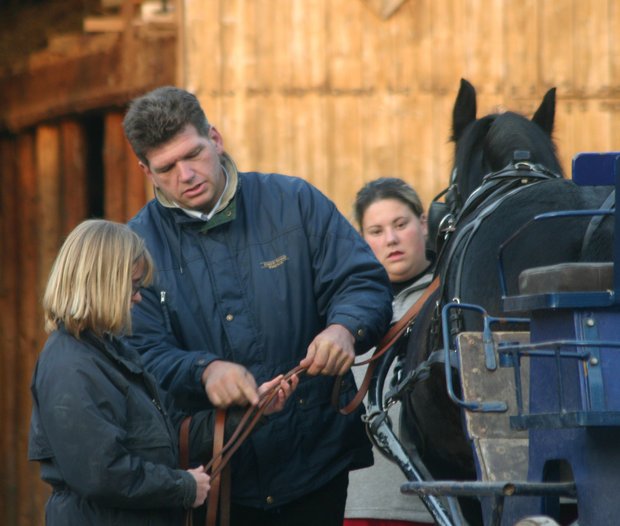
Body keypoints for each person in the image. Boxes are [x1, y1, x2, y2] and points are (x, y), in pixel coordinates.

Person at [121, 86, 393, 526]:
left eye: (193, 154)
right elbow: (140, 352)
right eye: (167, 167)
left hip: (318, 462)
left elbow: (362, 281)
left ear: (215, 138)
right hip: (216, 478)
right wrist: (204, 370)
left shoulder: (294, 201)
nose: (185, 174)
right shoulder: (137, 247)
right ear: (145, 170)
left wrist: (345, 327)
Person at [28, 219, 297, 526]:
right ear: (102, 281)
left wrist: (253, 412)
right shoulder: (70, 365)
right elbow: (101, 473)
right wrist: (182, 487)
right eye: (132, 285)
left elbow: (172, 435)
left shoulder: (111, 352)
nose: (138, 297)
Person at [344, 177, 435, 526]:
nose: (392, 240)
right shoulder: (345, 306)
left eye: (401, 224)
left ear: (423, 223)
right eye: (377, 231)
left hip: (434, 502)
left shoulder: (455, 296)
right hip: (358, 502)